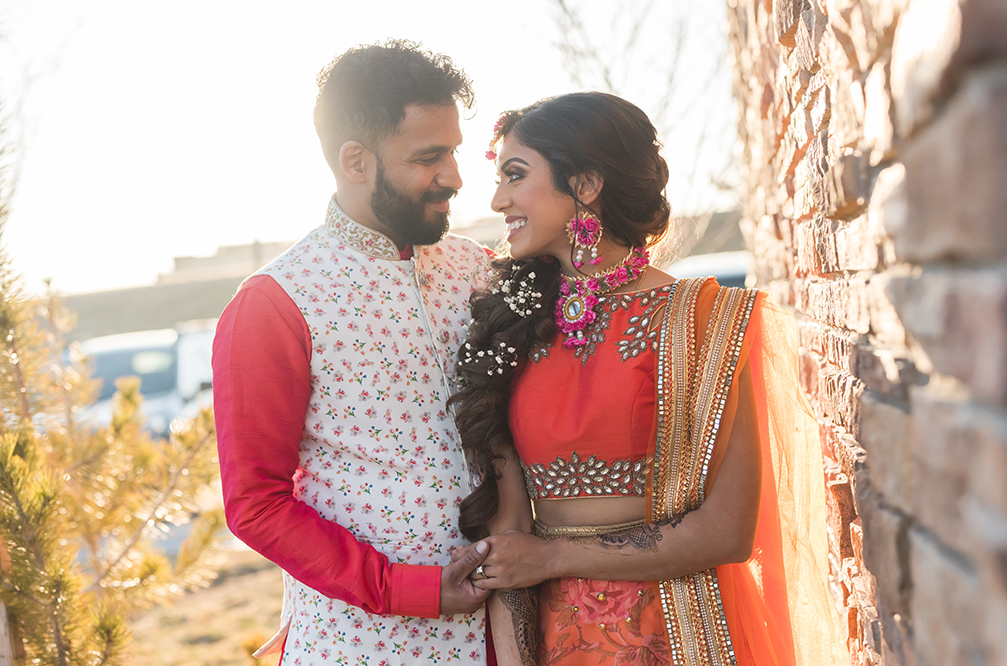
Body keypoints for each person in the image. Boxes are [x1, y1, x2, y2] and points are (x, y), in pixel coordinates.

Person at [450, 92, 849, 665]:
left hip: (683, 628)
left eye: (515, 175)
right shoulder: (509, 327)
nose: (497, 198)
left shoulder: (706, 320)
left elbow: (727, 532)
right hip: (554, 638)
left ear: (586, 184)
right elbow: (507, 544)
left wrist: (556, 557)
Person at [212, 41, 495, 665]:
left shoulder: (479, 269)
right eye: (429, 157)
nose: (454, 176)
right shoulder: (277, 302)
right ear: (356, 161)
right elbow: (256, 504)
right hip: (363, 643)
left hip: (503, 633)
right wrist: (409, 588)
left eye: (453, 151)